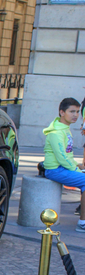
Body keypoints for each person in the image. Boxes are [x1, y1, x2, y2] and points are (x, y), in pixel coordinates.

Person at [42, 97, 85, 232]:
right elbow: (61, 157)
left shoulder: (64, 129)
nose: (76, 115)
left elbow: (67, 154)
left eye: (78, 112)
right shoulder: (56, 132)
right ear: (62, 112)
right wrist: (76, 170)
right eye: (72, 111)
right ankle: (82, 223)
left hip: (62, 168)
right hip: (55, 170)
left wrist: (78, 165)